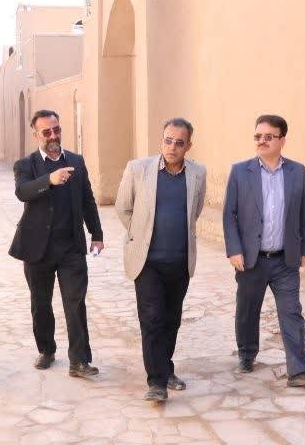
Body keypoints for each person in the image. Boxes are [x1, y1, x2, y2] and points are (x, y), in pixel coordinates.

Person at [222, 114, 305, 387]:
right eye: (258, 136)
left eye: (268, 136)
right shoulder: (240, 172)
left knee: (291, 312)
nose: (262, 141)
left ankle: (298, 371)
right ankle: (247, 354)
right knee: (247, 310)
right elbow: (229, 215)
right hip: (251, 259)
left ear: (282, 140)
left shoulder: (297, 172)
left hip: (284, 260)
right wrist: (234, 249)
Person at [115, 118, 207, 402]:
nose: (172, 147)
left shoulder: (198, 173)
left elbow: (195, 211)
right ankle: (156, 382)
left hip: (180, 262)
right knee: (152, 319)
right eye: (168, 140)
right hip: (148, 262)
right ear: (161, 140)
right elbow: (123, 207)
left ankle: (166, 369)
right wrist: (141, 235)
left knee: (171, 320)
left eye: (179, 143)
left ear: (188, 146)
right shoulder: (138, 169)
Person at [9, 109, 103, 378]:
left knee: (75, 302)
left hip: (71, 247)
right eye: (47, 132)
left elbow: (87, 199)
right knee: (41, 303)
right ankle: (47, 350)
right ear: (36, 134)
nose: (53, 136)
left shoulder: (76, 161)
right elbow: (22, 192)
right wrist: (49, 180)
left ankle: (79, 361)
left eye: (56, 130)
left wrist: (96, 234)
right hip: (37, 248)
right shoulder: (25, 165)